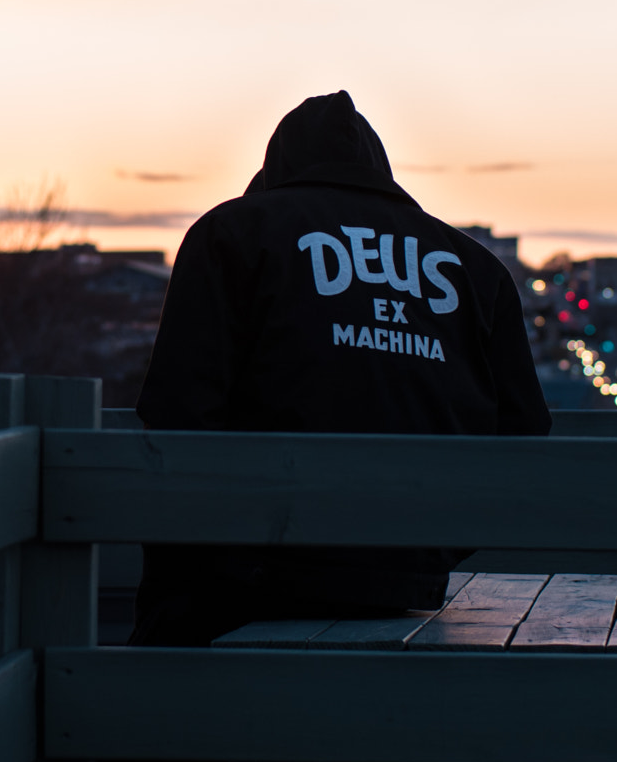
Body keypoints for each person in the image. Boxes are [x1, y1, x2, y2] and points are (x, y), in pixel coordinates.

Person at [128, 91, 552, 646]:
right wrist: (431, 543)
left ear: (276, 165)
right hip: (408, 581)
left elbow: (178, 408)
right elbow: (524, 431)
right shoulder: (475, 267)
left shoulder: (233, 233)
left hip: (239, 585)